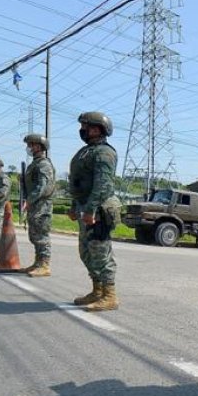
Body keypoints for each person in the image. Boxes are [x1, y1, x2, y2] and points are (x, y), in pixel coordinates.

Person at [69, 112, 120, 311]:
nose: (83, 130)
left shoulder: (104, 153)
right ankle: (97, 291)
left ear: (98, 129)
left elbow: (102, 185)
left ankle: (110, 295)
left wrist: (90, 210)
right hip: (85, 208)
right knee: (86, 253)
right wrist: (75, 207)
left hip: (98, 210)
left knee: (100, 253)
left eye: (86, 126)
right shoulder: (87, 151)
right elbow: (78, 183)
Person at [22, 133, 56, 278]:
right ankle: (38, 262)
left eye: (33, 145)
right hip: (35, 204)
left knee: (41, 234)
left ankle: (44, 265)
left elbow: (42, 186)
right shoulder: (34, 164)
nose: (30, 147)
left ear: (41, 147)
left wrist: (29, 200)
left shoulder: (44, 164)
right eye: (29, 145)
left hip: (42, 204)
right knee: (34, 234)